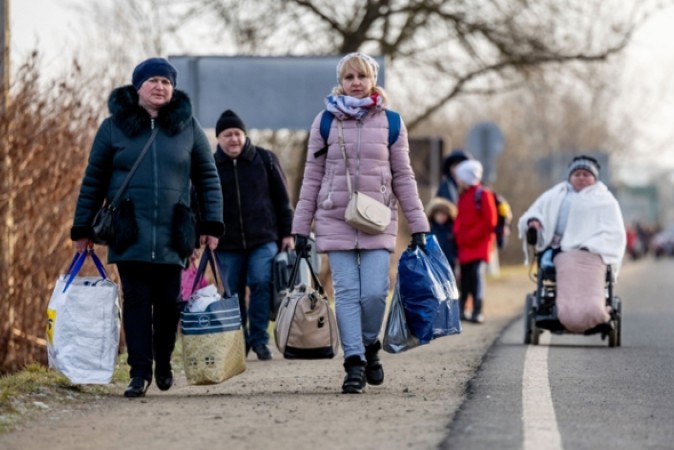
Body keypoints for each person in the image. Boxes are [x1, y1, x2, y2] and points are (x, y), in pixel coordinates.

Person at [71, 57, 224, 398]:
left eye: (166, 82)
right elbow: (93, 180)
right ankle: (139, 372)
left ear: (173, 88)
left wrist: (211, 224)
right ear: (138, 86)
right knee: (137, 300)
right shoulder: (113, 128)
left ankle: (164, 361)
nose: (160, 87)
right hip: (129, 231)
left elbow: (208, 177)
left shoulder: (188, 127)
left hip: (174, 232)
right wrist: (82, 228)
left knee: (168, 302)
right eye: (153, 80)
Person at [292, 52, 430, 394]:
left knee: (374, 292)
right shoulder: (324, 121)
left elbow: (403, 175)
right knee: (347, 293)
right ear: (341, 81)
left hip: (378, 219)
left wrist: (419, 224)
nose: (356, 83)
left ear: (373, 81)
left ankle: (370, 346)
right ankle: (353, 363)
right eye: (349, 77)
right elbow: (311, 177)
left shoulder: (392, 122)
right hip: (334, 216)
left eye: (362, 77)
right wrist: (300, 226)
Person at [213, 109, 295, 361]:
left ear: (245, 135)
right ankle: (240, 339)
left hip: (264, 238)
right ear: (219, 138)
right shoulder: (210, 165)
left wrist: (288, 233)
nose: (233, 139)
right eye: (227, 135)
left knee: (261, 283)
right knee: (232, 292)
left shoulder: (265, 159)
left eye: (237, 133)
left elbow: (283, 200)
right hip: (226, 242)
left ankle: (259, 339)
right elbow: (200, 203)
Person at [517, 155, 626, 279]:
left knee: (585, 260)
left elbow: (615, 230)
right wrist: (534, 221)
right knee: (556, 258)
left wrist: (594, 245)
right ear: (570, 177)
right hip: (558, 246)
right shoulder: (554, 194)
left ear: (594, 179)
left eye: (586, 174)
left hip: (591, 249)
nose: (581, 178)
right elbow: (536, 210)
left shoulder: (605, 200)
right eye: (577, 174)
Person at [452, 160, 497, 324]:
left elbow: (491, 221)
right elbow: (460, 219)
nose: (458, 181)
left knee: (477, 276)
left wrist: (472, 235)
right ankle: (463, 309)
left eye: (460, 178)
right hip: (465, 246)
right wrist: (457, 234)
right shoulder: (462, 196)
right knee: (465, 278)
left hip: (479, 245)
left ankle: (478, 310)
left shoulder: (483, 194)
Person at [426, 197, 458, 273]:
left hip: (450, 265)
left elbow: (457, 248)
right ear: (434, 214)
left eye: (444, 214)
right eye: (439, 214)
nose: (441, 217)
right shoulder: (429, 230)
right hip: (433, 265)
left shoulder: (452, 229)